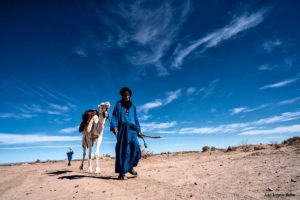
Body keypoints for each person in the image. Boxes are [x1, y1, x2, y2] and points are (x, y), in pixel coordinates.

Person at [110, 87, 142, 180]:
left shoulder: (133, 106)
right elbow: (114, 117)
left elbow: (136, 119)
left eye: (128, 95)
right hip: (123, 131)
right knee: (124, 151)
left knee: (135, 148)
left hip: (132, 130)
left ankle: (130, 167)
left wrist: (138, 130)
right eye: (125, 95)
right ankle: (122, 172)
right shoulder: (118, 105)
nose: (126, 96)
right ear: (122, 96)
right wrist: (114, 127)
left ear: (130, 96)